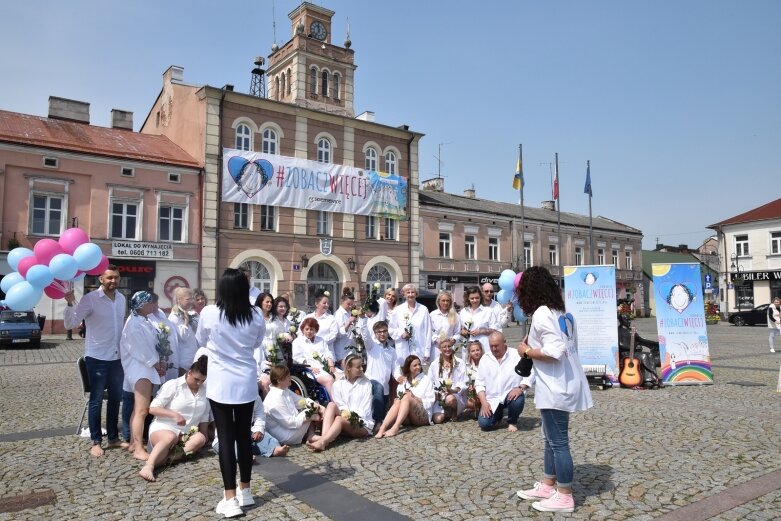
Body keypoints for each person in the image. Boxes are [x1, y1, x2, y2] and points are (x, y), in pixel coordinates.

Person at [515, 266, 593, 514]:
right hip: (562, 383)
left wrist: (526, 351)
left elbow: (554, 351)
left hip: (556, 386)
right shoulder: (561, 311)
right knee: (549, 439)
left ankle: (565, 494)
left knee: (559, 442)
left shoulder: (541, 313)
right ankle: (549, 484)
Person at [195, 268, 265, 518]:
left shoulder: (210, 312)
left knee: (226, 439)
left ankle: (230, 497)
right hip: (245, 381)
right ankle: (245, 489)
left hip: (221, 382)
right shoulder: (256, 314)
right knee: (243, 436)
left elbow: (201, 339)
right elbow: (257, 343)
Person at [64, 265, 127, 457]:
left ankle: (114, 438)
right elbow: (71, 323)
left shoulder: (122, 299)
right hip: (97, 357)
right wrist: (68, 304)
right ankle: (96, 441)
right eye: (109, 278)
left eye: (116, 278)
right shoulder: (90, 299)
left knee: (116, 399)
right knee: (96, 400)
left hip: (117, 358)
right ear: (101, 279)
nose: (113, 281)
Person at [139, 355, 211, 482]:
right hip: (163, 428)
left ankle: (163, 460)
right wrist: (174, 415)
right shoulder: (173, 385)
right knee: (170, 436)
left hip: (186, 434)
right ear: (189, 373)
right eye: (196, 379)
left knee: (200, 438)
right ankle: (149, 466)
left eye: (202, 380)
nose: (199, 383)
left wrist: (204, 438)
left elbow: (204, 416)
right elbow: (153, 408)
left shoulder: (205, 391)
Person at [120, 291, 166, 461]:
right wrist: (156, 364)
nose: (153, 306)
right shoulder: (134, 324)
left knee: (137, 409)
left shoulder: (143, 321)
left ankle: (134, 442)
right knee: (142, 410)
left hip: (145, 369)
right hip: (140, 370)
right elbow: (141, 349)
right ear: (141, 305)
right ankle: (139, 447)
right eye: (149, 303)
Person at [307, 354, 373, 451]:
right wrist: (344, 413)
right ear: (349, 368)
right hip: (344, 418)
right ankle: (324, 437)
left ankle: (323, 442)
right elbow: (339, 405)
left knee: (339, 419)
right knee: (331, 404)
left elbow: (366, 409)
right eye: (358, 367)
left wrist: (348, 416)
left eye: (362, 366)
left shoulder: (366, 384)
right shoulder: (338, 384)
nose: (362, 369)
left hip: (362, 424)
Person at [475, 331, 532, 432]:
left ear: (504, 342)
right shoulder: (485, 358)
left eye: (496, 346)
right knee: (484, 424)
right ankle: (498, 415)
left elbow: (531, 373)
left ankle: (512, 421)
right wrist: (484, 403)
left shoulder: (516, 354)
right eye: (491, 346)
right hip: (493, 399)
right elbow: (479, 383)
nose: (493, 349)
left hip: (510, 395)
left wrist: (521, 388)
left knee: (517, 399)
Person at [263, 365, 330, 446]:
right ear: (279, 380)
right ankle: (326, 436)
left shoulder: (284, 390)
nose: (290, 378)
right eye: (287, 376)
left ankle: (312, 435)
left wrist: (319, 407)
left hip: (289, 428)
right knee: (311, 411)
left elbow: (302, 401)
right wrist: (311, 415)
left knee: (313, 407)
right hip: (286, 436)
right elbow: (290, 423)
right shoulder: (274, 399)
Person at [375, 355, 435, 438]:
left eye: (419, 364)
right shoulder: (404, 381)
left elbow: (431, 401)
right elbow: (400, 397)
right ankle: (382, 428)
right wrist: (397, 400)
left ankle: (395, 427)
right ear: (408, 367)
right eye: (415, 365)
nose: (418, 367)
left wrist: (414, 398)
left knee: (407, 396)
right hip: (407, 418)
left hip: (422, 415)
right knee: (398, 401)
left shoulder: (426, 379)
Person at [213, 396, 289, 459]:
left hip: (246, 431)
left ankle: (275, 449)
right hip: (226, 435)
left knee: (263, 437)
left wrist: (258, 430)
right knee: (230, 447)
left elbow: (260, 414)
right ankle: (242, 456)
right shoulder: (225, 398)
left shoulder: (254, 396)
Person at [359, 318, 397, 429]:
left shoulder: (392, 351)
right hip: (371, 381)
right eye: (379, 332)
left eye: (384, 331)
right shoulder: (371, 346)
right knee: (378, 388)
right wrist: (362, 319)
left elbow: (395, 367)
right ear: (375, 334)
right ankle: (378, 422)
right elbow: (365, 335)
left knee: (383, 406)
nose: (382, 334)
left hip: (385, 387)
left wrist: (399, 376)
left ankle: (378, 420)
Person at [389, 283, 433, 367]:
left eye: (412, 292)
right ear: (404, 294)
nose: (410, 295)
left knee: (418, 375)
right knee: (404, 375)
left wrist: (427, 351)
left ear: (416, 294)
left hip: (419, 349)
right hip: (403, 350)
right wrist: (401, 334)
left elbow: (428, 331)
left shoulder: (423, 309)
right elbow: (391, 329)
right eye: (408, 292)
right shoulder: (398, 310)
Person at [291, 317, 335, 396]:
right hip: (312, 370)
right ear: (303, 329)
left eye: (312, 329)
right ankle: (336, 405)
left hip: (326, 366)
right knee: (329, 380)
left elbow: (328, 353)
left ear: (316, 330)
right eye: (307, 329)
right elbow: (297, 358)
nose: (309, 332)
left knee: (341, 377)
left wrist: (331, 365)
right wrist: (310, 367)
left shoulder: (321, 340)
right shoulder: (298, 342)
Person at [428, 338, 467, 423]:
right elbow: (430, 382)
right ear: (439, 349)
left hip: (455, 396)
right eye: (444, 347)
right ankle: (446, 411)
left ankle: (454, 411)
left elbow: (464, 382)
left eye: (449, 346)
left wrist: (453, 390)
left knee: (450, 399)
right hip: (440, 397)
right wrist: (436, 393)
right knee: (438, 420)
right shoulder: (434, 364)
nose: (447, 349)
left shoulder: (460, 362)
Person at [459, 286, 500, 364]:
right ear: (468, 298)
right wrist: (464, 332)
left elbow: (495, 330)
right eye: (472, 298)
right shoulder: (463, 312)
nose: (475, 300)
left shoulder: (488, 311)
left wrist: (481, 331)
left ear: (481, 297)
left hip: (484, 347)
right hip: (468, 347)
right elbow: (459, 329)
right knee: (469, 370)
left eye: (477, 298)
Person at [168, 287, 200, 376]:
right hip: (183, 359)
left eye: (192, 299)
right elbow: (183, 337)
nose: (191, 301)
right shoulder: (174, 317)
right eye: (188, 299)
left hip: (192, 356)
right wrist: (186, 322)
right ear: (179, 300)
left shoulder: (188, 313)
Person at [429, 291, 462, 363]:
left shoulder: (455, 316)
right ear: (438, 301)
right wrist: (436, 339)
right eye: (443, 300)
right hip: (436, 349)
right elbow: (429, 332)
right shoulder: (432, 315)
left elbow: (458, 333)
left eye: (448, 301)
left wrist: (453, 340)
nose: (445, 303)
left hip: (449, 348)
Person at [305, 291, 339, 359]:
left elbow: (333, 335)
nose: (326, 305)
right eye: (324, 303)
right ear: (317, 304)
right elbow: (300, 332)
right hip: (310, 352)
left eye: (328, 303)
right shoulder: (308, 317)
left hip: (326, 353)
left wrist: (318, 341)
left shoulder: (331, 319)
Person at [255, 291, 275, 395]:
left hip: (273, 348)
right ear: (260, 303)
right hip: (260, 347)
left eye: (271, 302)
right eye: (267, 302)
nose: (269, 304)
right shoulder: (255, 317)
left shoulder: (273, 317)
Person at [333, 288, 357, 366]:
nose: (350, 306)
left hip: (350, 349)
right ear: (342, 301)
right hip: (342, 351)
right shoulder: (338, 315)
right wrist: (348, 323)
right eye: (348, 304)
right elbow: (337, 334)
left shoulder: (349, 312)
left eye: (352, 304)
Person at [465, 341, 484, 412]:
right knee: (468, 403)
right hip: (473, 394)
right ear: (469, 353)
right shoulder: (467, 366)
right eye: (473, 351)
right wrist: (469, 387)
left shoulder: (487, 363)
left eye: (477, 350)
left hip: (486, 392)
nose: (476, 352)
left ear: (481, 351)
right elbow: (465, 382)